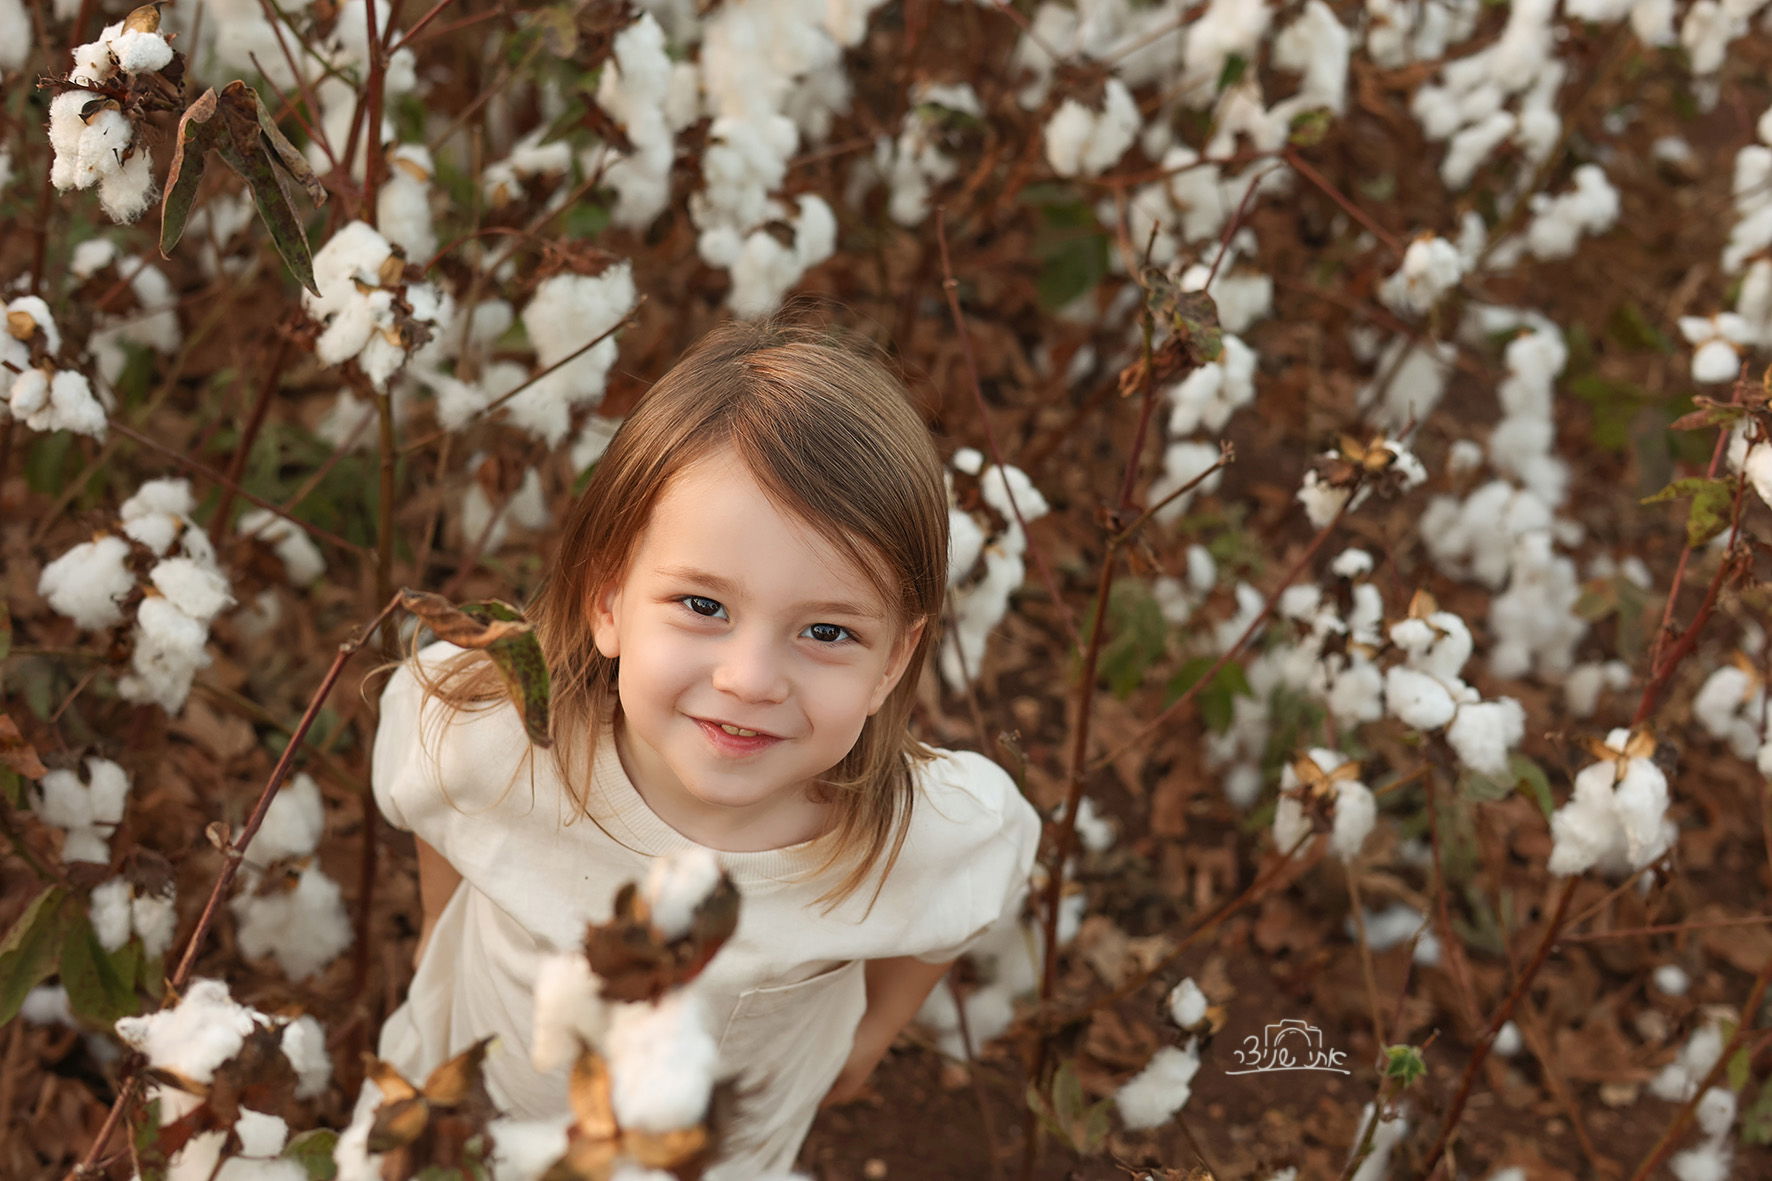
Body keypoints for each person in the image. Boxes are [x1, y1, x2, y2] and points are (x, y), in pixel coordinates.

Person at [367, 316, 1043, 1177]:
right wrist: (438, 926)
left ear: (893, 661)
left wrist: (875, 1030)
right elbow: (434, 785)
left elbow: (976, 881)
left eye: (826, 630)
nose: (750, 678)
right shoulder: (494, 739)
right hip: (469, 1137)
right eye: (703, 606)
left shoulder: (916, 835)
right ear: (608, 597)